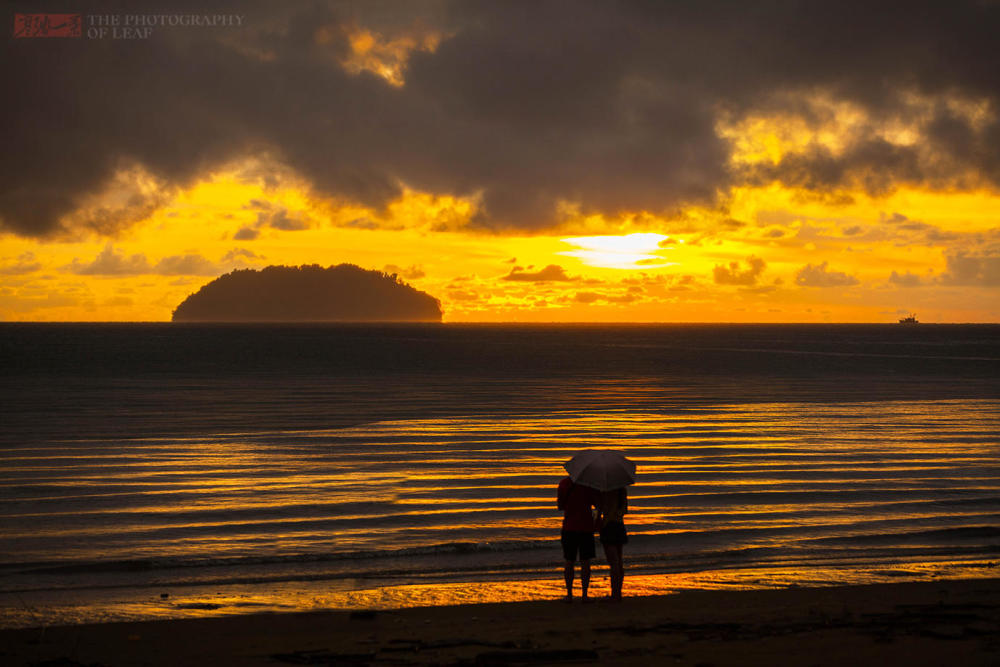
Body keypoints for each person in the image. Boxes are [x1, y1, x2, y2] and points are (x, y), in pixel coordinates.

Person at [557, 476, 601, 602]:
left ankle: (569, 594)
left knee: (569, 560)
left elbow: (560, 506)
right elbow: (597, 504)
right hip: (586, 527)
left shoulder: (564, 483)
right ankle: (585, 595)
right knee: (585, 561)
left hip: (569, 527)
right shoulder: (588, 484)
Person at [597, 486, 628, 601]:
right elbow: (624, 510)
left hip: (608, 526)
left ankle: (615, 594)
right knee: (619, 561)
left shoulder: (604, 490)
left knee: (613, 562)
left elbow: (600, 507)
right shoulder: (622, 489)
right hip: (619, 525)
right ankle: (618, 593)